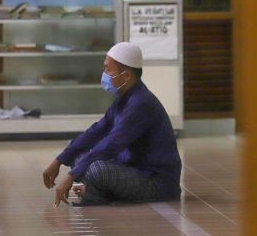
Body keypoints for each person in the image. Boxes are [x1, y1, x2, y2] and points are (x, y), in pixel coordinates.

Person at [42, 42, 182, 207]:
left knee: (96, 169)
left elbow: (111, 145)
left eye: (108, 70)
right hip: (133, 169)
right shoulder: (125, 99)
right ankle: (96, 192)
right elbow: (97, 131)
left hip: (156, 182)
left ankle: (96, 194)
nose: (104, 75)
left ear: (127, 75)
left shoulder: (140, 104)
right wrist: (59, 161)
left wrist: (71, 175)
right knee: (78, 156)